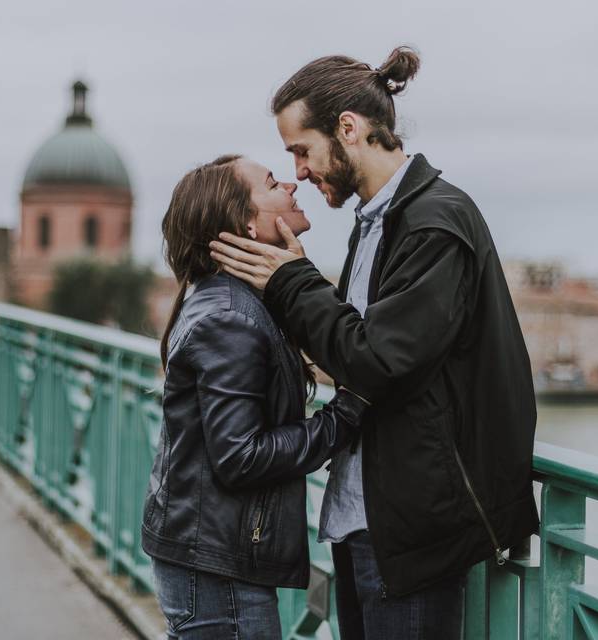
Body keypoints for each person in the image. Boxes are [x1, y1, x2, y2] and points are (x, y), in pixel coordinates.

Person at [209, 47, 540, 639]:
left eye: (301, 150)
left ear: (348, 128)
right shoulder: (377, 221)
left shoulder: (435, 222)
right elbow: (358, 349)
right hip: (366, 520)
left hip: (412, 532)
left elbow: (379, 361)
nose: (301, 171)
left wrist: (291, 281)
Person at [141, 154, 370, 639]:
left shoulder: (228, 301)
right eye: (271, 183)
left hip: (209, 555)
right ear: (245, 223)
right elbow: (240, 456)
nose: (291, 183)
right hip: (217, 568)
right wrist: (345, 413)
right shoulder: (234, 318)